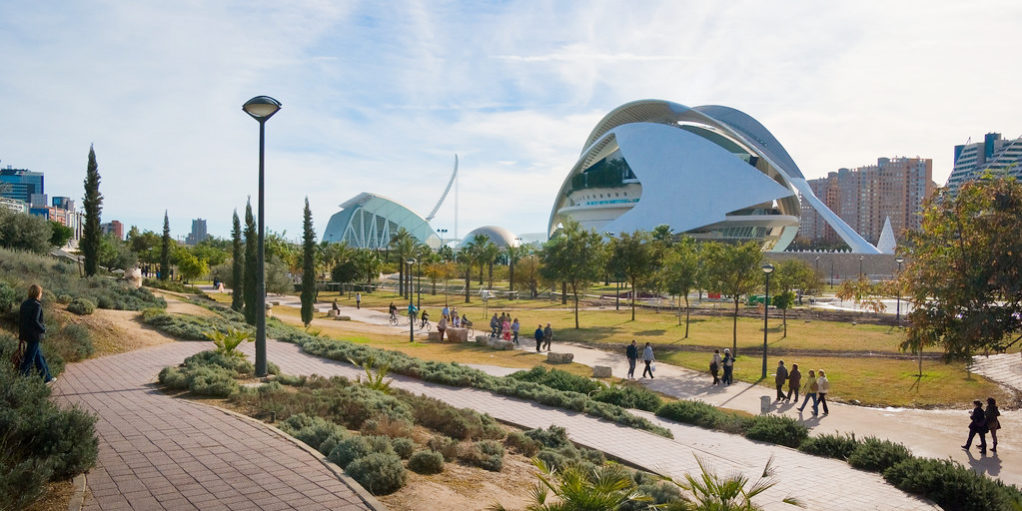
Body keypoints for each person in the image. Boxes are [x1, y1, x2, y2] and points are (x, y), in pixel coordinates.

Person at [19, 284, 54, 384]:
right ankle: (23, 380)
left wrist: (21, 335)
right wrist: (43, 329)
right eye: (41, 292)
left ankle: (47, 378)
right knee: (29, 359)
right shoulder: (37, 305)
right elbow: (35, 321)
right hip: (34, 336)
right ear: (38, 293)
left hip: (25, 335)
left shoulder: (24, 303)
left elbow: (21, 321)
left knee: (39, 357)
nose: (41, 294)